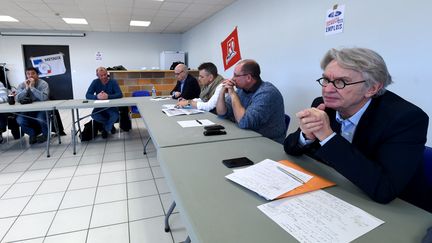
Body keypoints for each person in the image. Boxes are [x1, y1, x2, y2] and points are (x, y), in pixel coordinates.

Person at [284, 47, 430, 212]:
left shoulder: (406, 119)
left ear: (372, 89)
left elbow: (384, 189)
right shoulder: (325, 104)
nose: (328, 89)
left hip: (393, 209)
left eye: (341, 82)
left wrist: (327, 136)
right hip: (334, 194)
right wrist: (306, 136)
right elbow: (290, 147)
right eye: (326, 79)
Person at [216, 59, 285, 143]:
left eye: (236, 75)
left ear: (248, 78)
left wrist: (233, 94)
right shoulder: (242, 89)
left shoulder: (267, 93)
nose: (232, 79)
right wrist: (222, 92)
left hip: (267, 143)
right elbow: (222, 113)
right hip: (246, 137)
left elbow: (244, 122)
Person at [85, 67, 123, 138]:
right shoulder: (95, 82)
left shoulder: (113, 82)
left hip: (111, 106)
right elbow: (87, 95)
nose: (104, 77)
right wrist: (97, 97)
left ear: (107, 73)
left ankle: (105, 129)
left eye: (105, 74)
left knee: (115, 115)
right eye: (101, 75)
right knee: (94, 115)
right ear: (97, 75)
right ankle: (110, 126)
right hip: (99, 107)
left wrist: (108, 96)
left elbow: (120, 94)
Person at [16, 67, 50, 144]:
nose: (30, 75)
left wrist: (32, 88)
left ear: (37, 75)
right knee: (19, 120)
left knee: (40, 118)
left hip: (42, 109)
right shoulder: (22, 85)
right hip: (27, 109)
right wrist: (26, 88)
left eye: (33, 73)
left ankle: (46, 135)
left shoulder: (43, 84)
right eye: (28, 74)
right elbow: (17, 99)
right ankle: (32, 134)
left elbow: (44, 98)